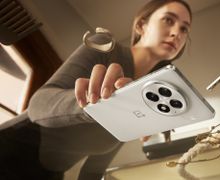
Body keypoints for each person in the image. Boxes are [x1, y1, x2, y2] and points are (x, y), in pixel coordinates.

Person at [0, 0, 192, 179]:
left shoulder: (143, 98)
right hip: (10, 149)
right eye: (168, 20)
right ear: (141, 25)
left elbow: (95, 168)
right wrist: (96, 106)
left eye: (184, 29)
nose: (177, 33)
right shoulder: (105, 47)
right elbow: (39, 105)